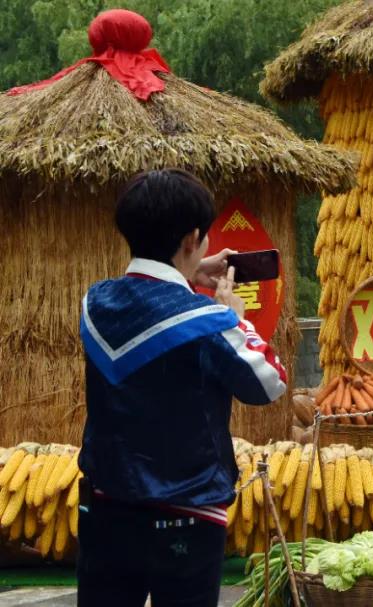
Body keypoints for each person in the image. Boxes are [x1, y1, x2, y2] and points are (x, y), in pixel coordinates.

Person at [77, 169, 288, 607]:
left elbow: (148, 303)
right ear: (193, 238)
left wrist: (189, 272)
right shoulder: (210, 321)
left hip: (107, 507)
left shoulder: (94, 304)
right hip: (188, 514)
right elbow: (269, 383)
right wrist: (236, 316)